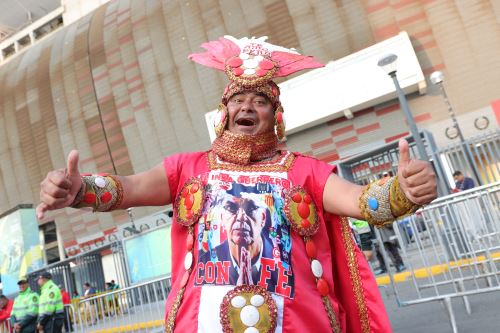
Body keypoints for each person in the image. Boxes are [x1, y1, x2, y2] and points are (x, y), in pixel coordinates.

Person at [37, 36, 437, 332]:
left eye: (259, 100)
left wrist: (404, 191)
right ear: (224, 112)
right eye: (237, 100)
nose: (246, 106)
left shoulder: (304, 171)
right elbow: (128, 188)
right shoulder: (188, 168)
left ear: (275, 116)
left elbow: (363, 202)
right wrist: (80, 190)